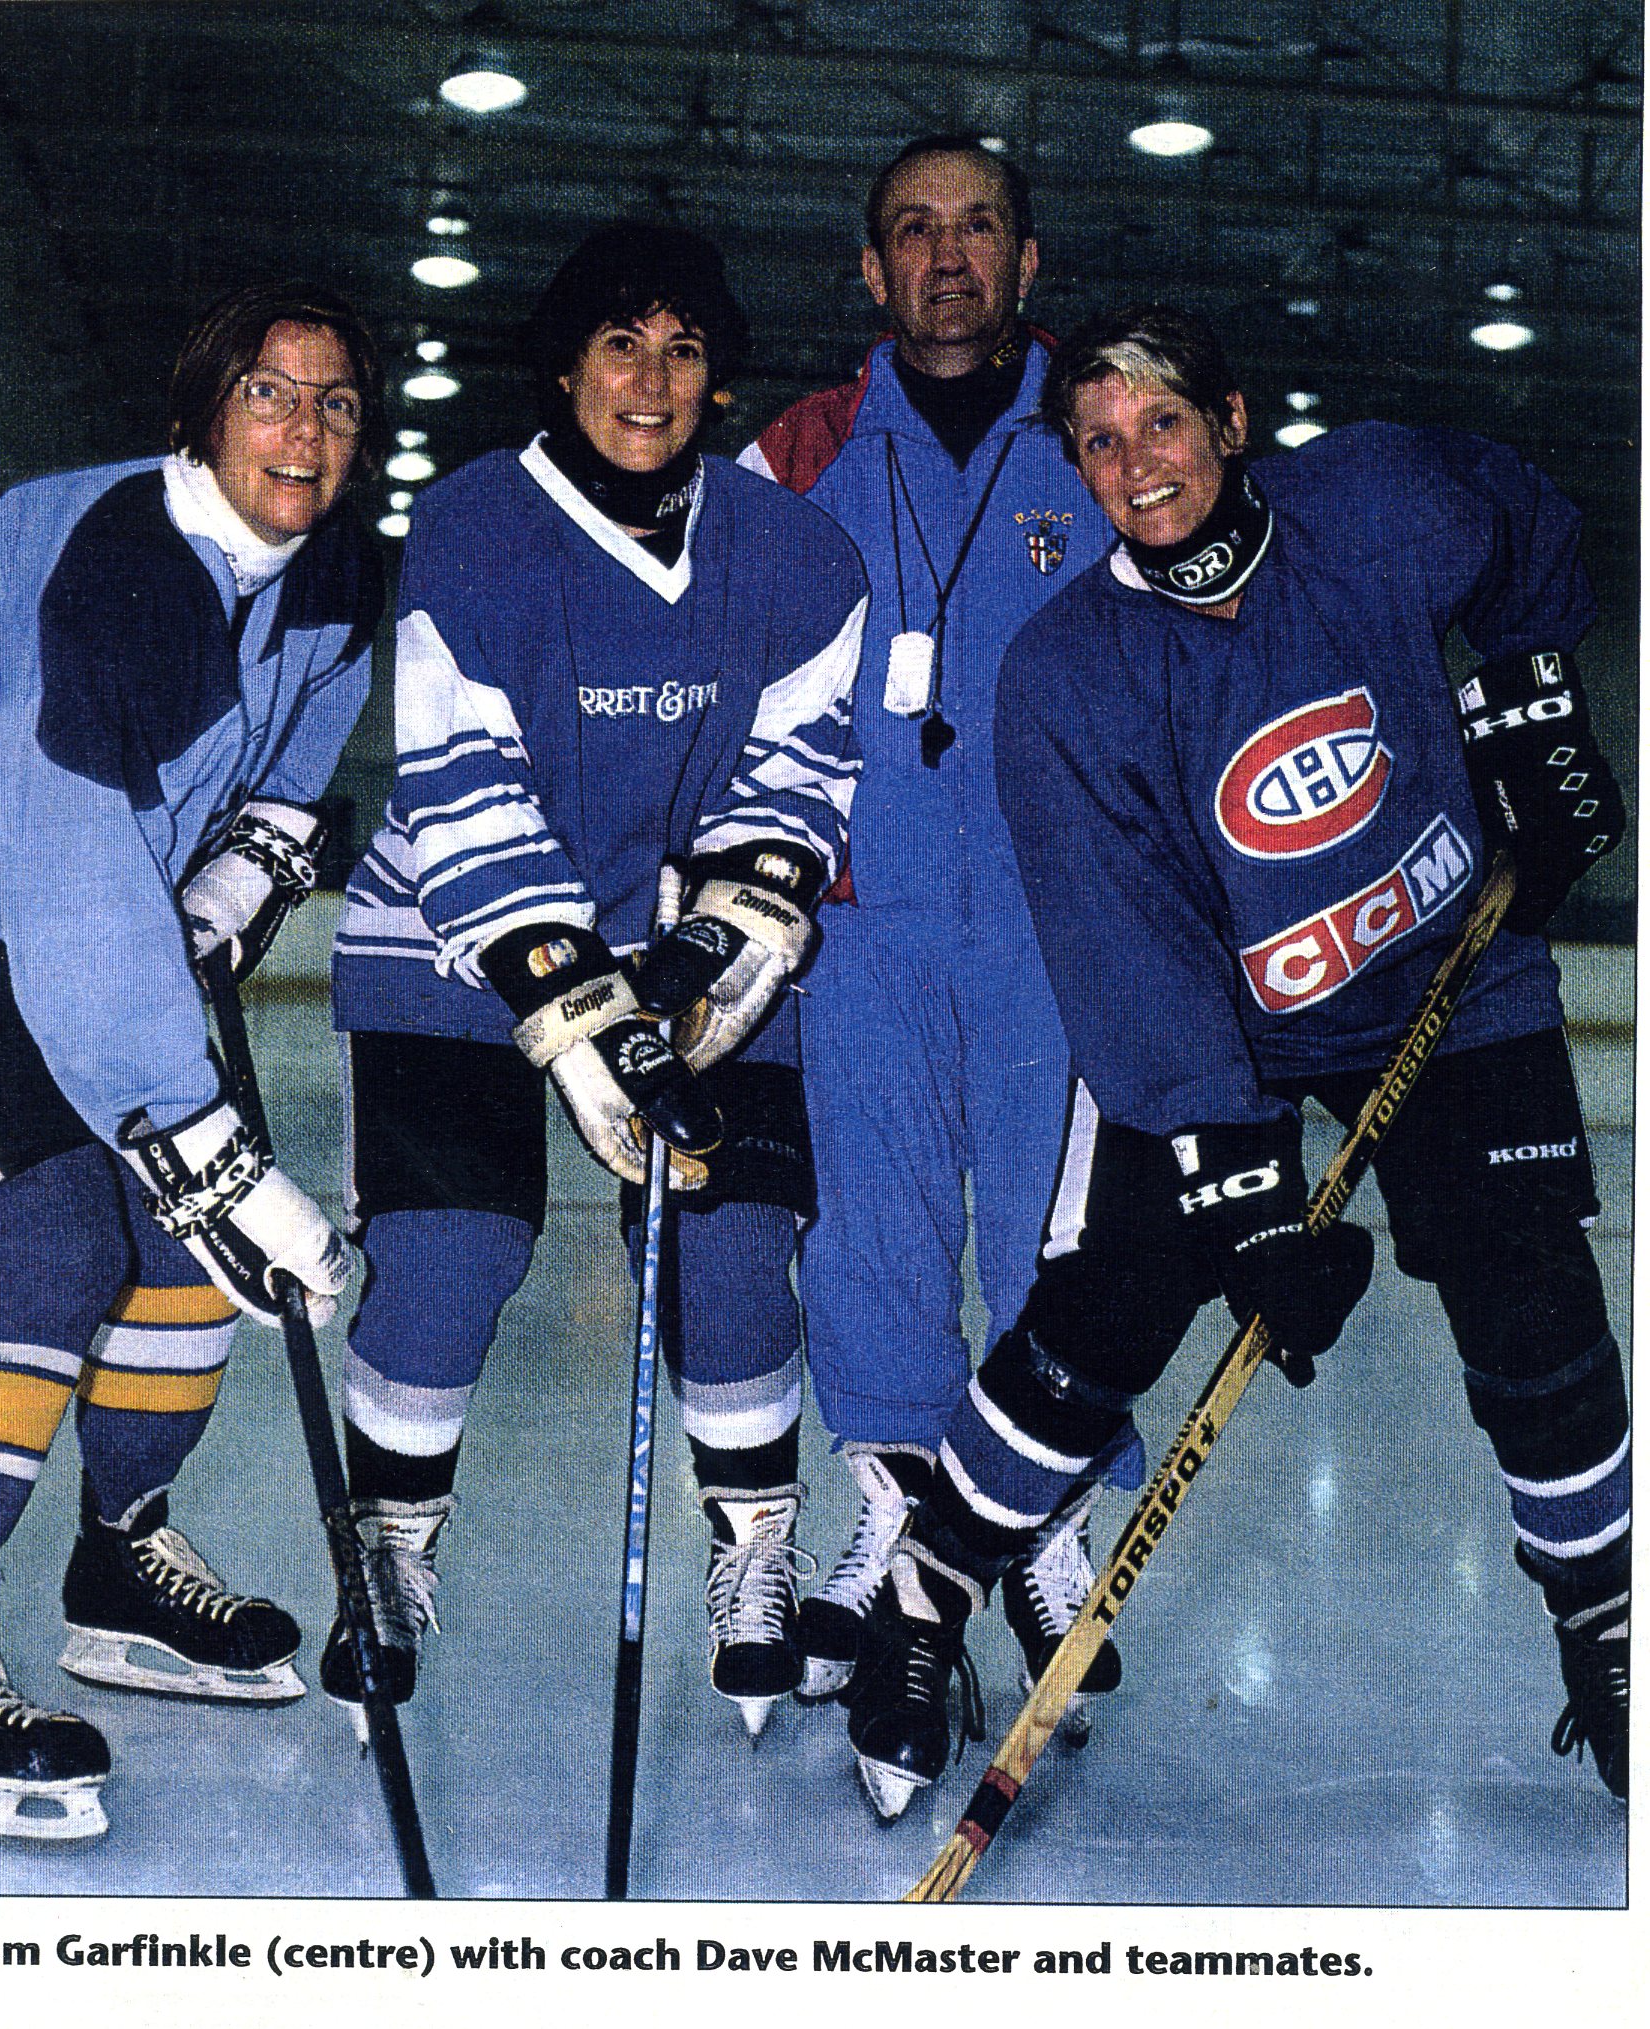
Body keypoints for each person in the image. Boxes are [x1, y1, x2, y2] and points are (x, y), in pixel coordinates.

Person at [844, 301, 1629, 1819]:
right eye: (1096, 441)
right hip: (1223, 1016)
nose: (1133, 463)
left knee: (1532, 1297)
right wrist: (1241, 1185)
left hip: (1445, 971)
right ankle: (926, 1594)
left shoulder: (1380, 503)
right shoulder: (1069, 677)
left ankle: (1606, 1634)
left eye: (1160, 424)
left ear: (1230, 422)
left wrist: (1533, 714)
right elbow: (1124, 943)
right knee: (1107, 1314)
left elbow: (1526, 520)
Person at [0, 281, 387, 1840]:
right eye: (270, 392)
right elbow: (68, 884)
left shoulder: (337, 567)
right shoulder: (113, 566)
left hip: (80, 898)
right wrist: (213, 1153)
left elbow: (295, 759)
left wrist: (241, 877)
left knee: (182, 1253)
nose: (304, 426)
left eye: (337, 403)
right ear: (199, 412)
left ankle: (117, 1558)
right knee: (59, 1225)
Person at [328, 223, 867, 1740]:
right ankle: (389, 1548)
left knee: (733, 1243)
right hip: (449, 947)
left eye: (684, 348)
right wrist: (582, 1024)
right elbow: (463, 788)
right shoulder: (476, 524)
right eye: (620, 344)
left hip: (682, 955)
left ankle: (755, 1549)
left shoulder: (798, 555)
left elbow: (796, 780)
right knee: (451, 1258)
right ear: (564, 366)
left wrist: (713, 964)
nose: (652, 377)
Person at [738, 135, 1116, 1711]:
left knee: (1061, 1237)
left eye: (978, 229)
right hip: (861, 916)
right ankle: (894, 1513)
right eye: (914, 230)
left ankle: (1039, 1522)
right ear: (872, 270)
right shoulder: (798, 449)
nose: (947, 255)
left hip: (1061, 921)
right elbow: (715, 647)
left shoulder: (1108, 435)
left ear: (1027, 264)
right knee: (873, 1239)